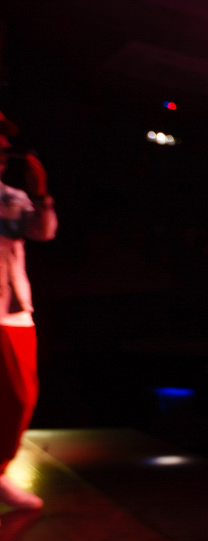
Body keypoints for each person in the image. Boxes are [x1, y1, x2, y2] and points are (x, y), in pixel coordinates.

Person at [0, 111, 56, 514]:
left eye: (5, 148)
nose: (4, 152)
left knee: (20, 398)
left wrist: (40, 194)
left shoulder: (13, 197)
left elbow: (44, 232)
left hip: (13, 312)